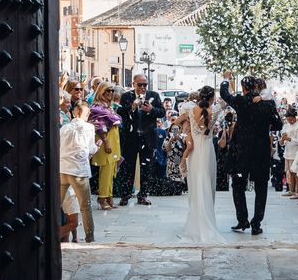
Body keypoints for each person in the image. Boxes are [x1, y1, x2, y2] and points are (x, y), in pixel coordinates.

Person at [221, 71, 283, 235]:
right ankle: (256, 223)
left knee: (238, 184)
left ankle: (243, 220)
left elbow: (224, 93)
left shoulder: (241, 101)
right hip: (260, 151)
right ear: (256, 87)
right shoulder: (268, 104)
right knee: (261, 187)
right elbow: (278, 124)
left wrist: (226, 79)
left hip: (241, 151)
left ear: (243, 88)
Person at [175, 86, 224, 242]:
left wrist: (186, 133)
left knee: (196, 185)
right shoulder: (215, 110)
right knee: (207, 185)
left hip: (195, 153)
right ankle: (208, 220)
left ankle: (196, 221)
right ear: (211, 98)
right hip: (208, 151)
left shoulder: (190, 110)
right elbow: (226, 101)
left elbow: (176, 122)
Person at [117, 74, 166, 206]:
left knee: (147, 167)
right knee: (128, 167)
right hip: (130, 137)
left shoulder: (154, 95)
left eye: (145, 84)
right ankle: (125, 195)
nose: (143, 87)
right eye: (140, 85)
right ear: (134, 84)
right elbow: (120, 112)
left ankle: (143, 195)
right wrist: (132, 107)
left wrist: (151, 109)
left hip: (148, 137)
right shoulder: (127, 96)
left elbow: (162, 112)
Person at [59, 100, 98, 243]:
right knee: (85, 207)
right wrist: (97, 147)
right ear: (85, 113)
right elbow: (91, 149)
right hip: (79, 171)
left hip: (63, 169)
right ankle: (90, 237)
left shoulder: (64, 128)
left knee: (57, 204)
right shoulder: (89, 128)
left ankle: (49, 230)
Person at [89, 82, 123, 210]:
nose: (110, 93)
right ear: (101, 92)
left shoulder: (109, 107)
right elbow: (100, 127)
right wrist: (106, 142)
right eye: (107, 91)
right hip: (105, 140)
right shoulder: (97, 107)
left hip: (114, 138)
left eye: (112, 91)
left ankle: (109, 196)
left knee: (112, 169)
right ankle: (102, 197)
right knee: (106, 170)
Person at [280, 107, 298, 198]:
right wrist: (283, 140)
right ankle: (291, 190)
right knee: (288, 172)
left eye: (291, 119)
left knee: (295, 173)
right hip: (288, 151)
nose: (290, 121)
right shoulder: (286, 126)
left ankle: (297, 192)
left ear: (295, 117)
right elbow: (283, 138)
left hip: (296, 152)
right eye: (288, 119)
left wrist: (289, 139)